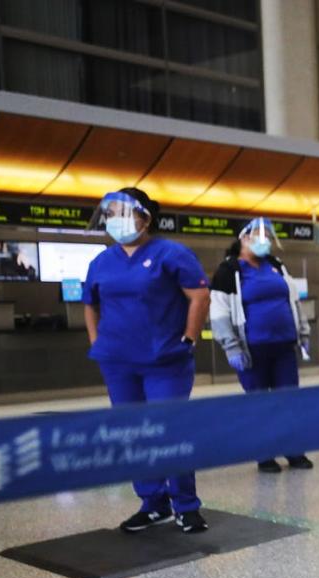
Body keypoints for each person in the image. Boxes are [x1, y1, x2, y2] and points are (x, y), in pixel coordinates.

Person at [82, 188, 211, 534]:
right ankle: (153, 503)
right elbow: (89, 303)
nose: (115, 219)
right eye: (110, 213)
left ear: (145, 217)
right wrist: (98, 342)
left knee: (169, 431)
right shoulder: (101, 261)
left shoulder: (171, 253)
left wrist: (189, 337)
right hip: (119, 363)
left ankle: (186, 505)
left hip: (165, 361)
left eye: (123, 212)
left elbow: (199, 295)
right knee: (133, 434)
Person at [210, 217, 315, 473]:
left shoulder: (276, 266)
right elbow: (219, 312)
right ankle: (264, 454)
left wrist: (303, 332)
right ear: (243, 238)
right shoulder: (230, 271)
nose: (265, 240)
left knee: (288, 401)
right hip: (251, 350)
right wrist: (231, 346)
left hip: (283, 347)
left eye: (268, 235)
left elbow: (294, 301)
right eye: (259, 235)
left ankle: (293, 450)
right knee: (259, 403)